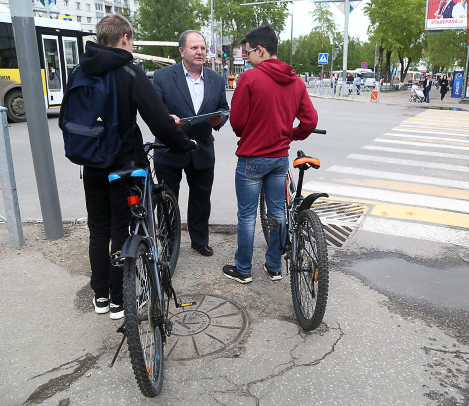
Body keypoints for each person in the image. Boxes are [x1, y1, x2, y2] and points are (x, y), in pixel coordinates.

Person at [59, 14, 196, 320]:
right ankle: (121, 300)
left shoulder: (78, 70)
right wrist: (183, 144)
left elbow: (65, 120)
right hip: (123, 166)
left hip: (91, 165)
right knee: (122, 231)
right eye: (132, 40)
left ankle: (101, 297)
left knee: (98, 231)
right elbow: (159, 121)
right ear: (124, 38)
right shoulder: (129, 72)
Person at [223, 22, 318, 284]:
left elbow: (237, 122)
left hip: (252, 159)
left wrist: (249, 130)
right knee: (277, 213)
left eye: (249, 53)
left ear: (261, 50)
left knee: (247, 215)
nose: (248, 59)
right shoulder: (296, 81)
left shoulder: (250, 79)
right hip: (279, 159)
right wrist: (290, 134)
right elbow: (309, 121)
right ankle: (274, 266)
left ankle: (243, 269)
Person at [152, 30, 229, 258]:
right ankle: (168, 244)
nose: (200, 52)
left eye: (203, 48)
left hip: (202, 149)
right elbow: (155, 111)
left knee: (201, 199)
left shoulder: (216, 79)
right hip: (170, 149)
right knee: (167, 201)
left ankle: (199, 241)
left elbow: (224, 108)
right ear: (182, 50)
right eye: (195, 48)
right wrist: (168, 122)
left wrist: (220, 119)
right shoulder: (162, 77)